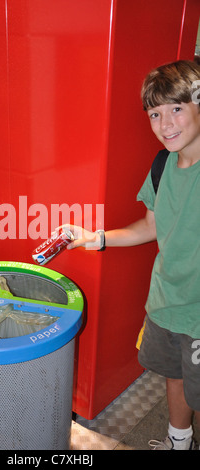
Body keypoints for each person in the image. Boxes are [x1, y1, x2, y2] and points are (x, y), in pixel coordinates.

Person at [62, 60, 200, 450]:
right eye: (155, 113)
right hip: (164, 303)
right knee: (174, 375)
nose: (165, 123)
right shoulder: (162, 166)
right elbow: (150, 226)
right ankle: (180, 442)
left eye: (176, 108)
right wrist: (95, 238)